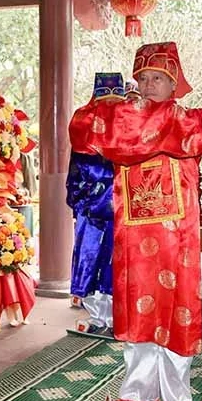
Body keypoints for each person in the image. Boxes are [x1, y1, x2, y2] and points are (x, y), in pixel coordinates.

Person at [69, 42, 202, 401]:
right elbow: (80, 129)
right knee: (138, 312)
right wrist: (110, 104)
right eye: (144, 78)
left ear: (174, 84)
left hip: (177, 240)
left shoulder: (188, 120)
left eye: (159, 78)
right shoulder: (121, 119)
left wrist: (139, 119)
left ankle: (178, 395)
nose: (150, 84)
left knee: (176, 313)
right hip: (135, 237)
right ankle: (138, 392)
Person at [66, 72, 124, 335]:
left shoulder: (129, 130)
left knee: (116, 265)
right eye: (104, 101)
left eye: (115, 101)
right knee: (89, 261)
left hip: (123, 212)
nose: (109, 107)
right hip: (91, 211)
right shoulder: (83, 129)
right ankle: (97, 318)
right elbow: (74, 173)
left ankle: (118, 319)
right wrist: (82, 202)